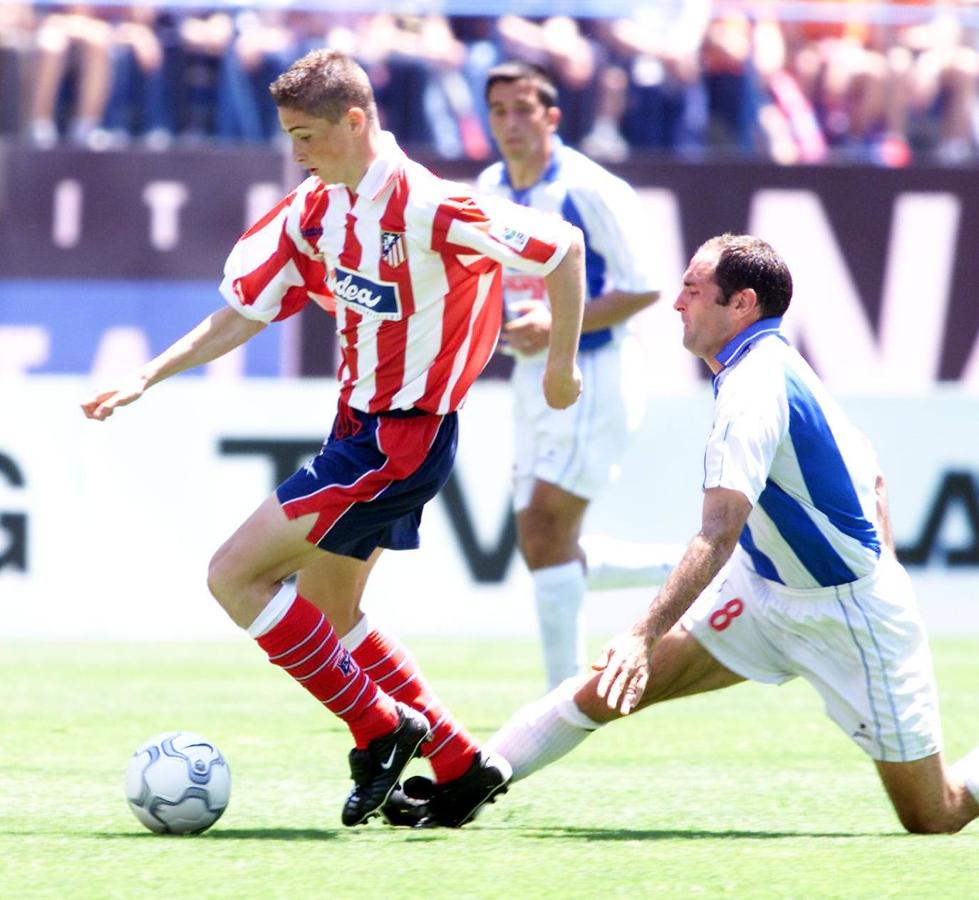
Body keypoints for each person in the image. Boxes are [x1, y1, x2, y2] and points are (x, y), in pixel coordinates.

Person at [81, 48, 585, 830]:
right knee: (327, 605)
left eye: (306, 135)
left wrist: (560, 366)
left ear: (355, 121)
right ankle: (458, 766)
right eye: (289, 135)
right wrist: (149, 375)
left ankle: (380, 728)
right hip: (362, 427)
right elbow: (246, 309)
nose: (296, 153)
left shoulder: (427, 204)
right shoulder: (316, 207)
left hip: (401, 441)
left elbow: (560, 249)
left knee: (233, 578)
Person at [481, 234, 979, 834]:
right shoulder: (766, 362)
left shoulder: (754, 387)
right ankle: (475, 777)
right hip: (761, 595)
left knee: (935, 816)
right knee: (605, 690)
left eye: (692, 290)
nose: (676, 304)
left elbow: (717, 535)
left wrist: (641, 634)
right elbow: (871, 472)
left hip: (850, 616)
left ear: (741, 304)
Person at [476, 61, 662, 691]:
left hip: (594, 371)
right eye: (498, 110)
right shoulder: (488, 185)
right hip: (532, 374)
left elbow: (645, 286)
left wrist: (557, 322)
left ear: (551, 117)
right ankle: (704, 567)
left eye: (523, 109)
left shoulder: (590, 189)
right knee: (541, 541)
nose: (511, 123)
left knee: (548, 529)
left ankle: (561, 698)